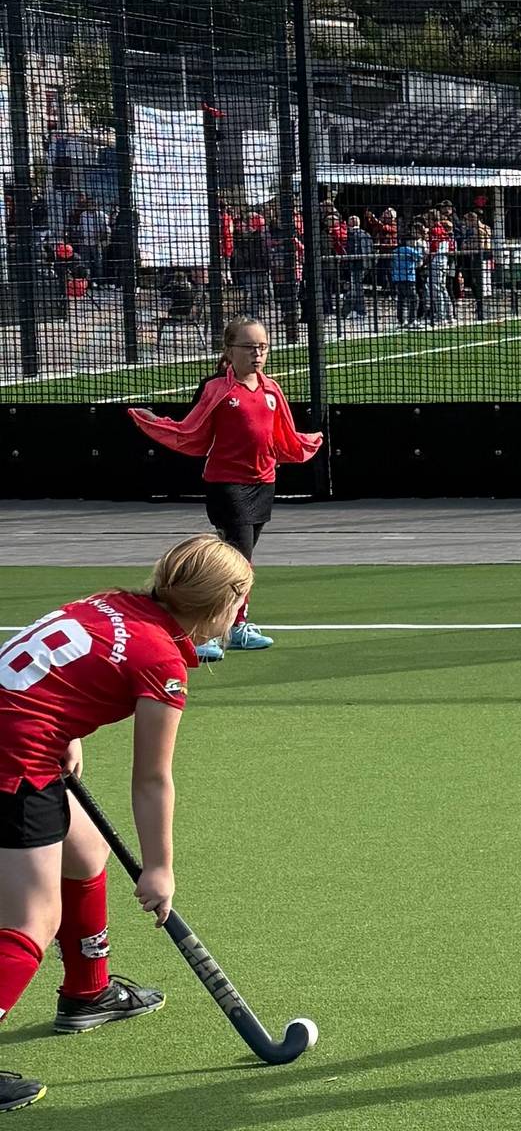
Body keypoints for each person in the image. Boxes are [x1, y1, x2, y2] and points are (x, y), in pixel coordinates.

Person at [0, 536, 254, 1113]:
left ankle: (88, 994)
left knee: (84, 852)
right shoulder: (162, 660)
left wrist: (65, 731)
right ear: (229, 601)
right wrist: (160, 868)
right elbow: (151, 780)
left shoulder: (110, 602)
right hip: (13, 761)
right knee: (31, 919)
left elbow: (53, 666)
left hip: (20, 740)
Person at [126, 318, 323, 663]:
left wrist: (310, 442)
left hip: (263, 484)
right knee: (236, 564)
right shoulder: (217, 389)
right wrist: (153, 422)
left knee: (242, 563)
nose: (257, 353)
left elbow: (285, 438)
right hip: (227, 486)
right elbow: (189, 431)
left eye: (262, 346)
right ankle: (200, 631)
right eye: (249, 347)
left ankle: (236, 627)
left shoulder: (271, 390)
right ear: (229, 351)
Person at [390, 231, 425, 326]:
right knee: (414, 299)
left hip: (397, 278)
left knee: (401, 299)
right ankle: (412, 320)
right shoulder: (410, 250)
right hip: (409, 278)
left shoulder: (396, 251)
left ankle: (401, 320)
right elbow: (421, 258)